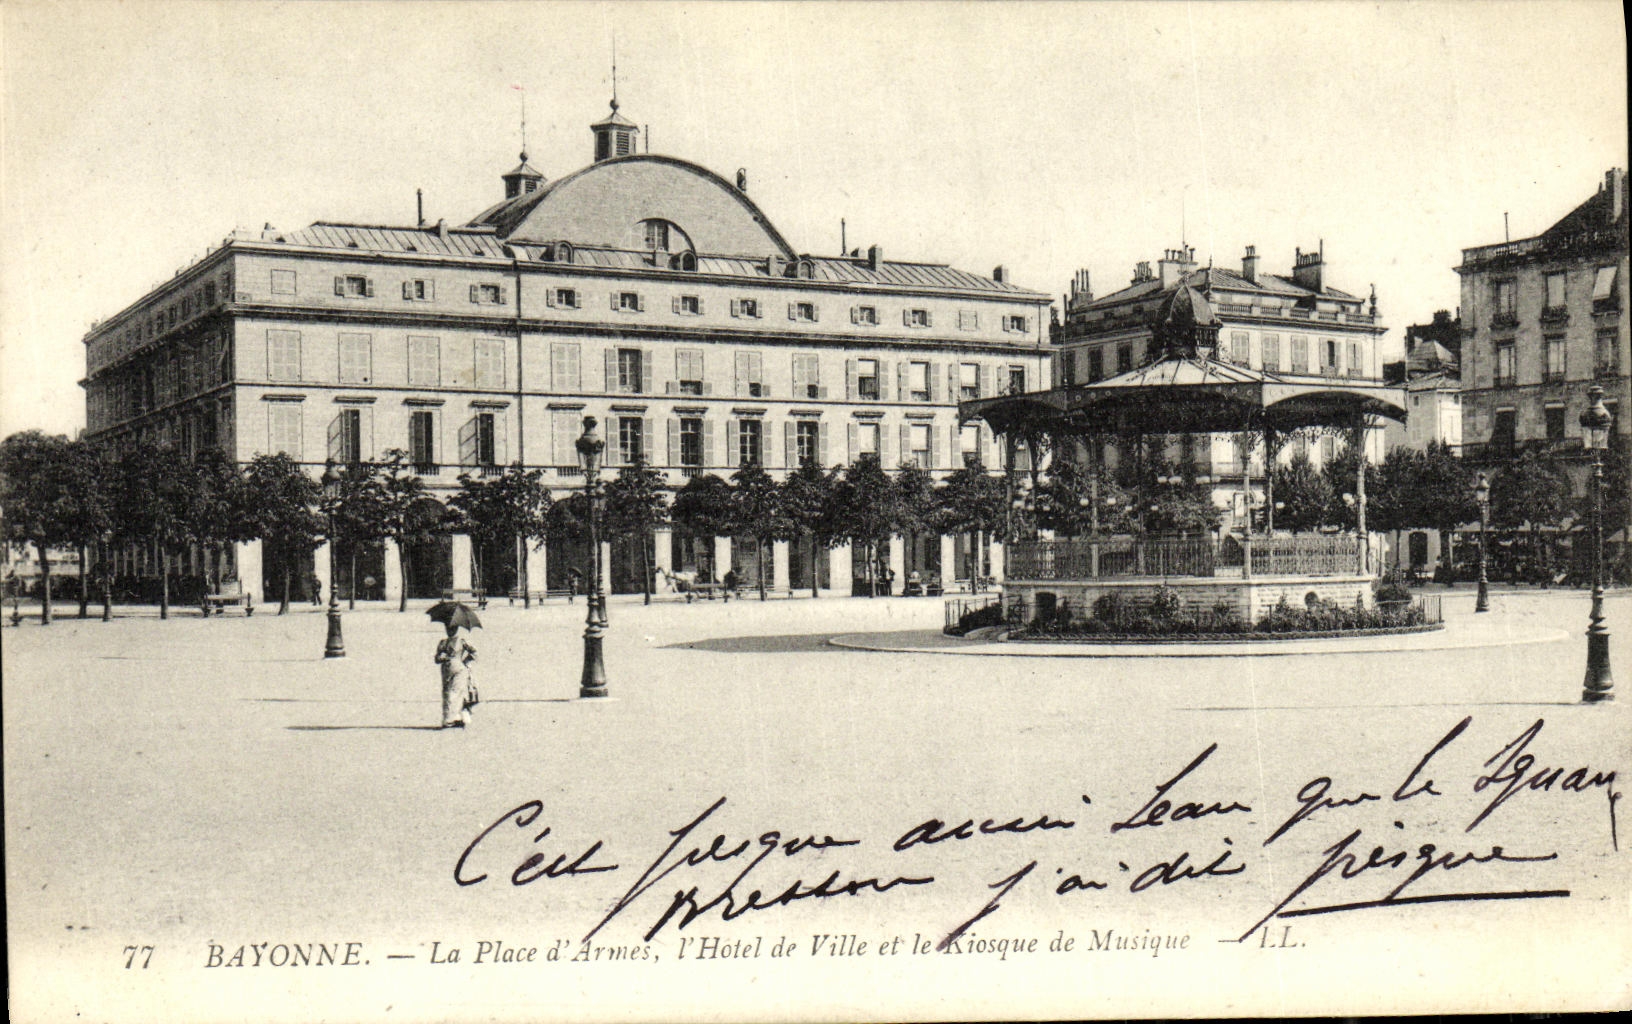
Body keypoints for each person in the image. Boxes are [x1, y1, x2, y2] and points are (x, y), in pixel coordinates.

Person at [435, 623, 478, 729]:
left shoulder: (460, 641)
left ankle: (451, 718)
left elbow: (474, 652)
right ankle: (451, 718)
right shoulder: (444, 642)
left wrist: (464, 661)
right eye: (448, 628)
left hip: (457, 669)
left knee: (454, 692)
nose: (450, 630)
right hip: (448, 669)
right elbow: (437, 659)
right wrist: (441, 657)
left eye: (452, 628)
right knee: (450, 692)